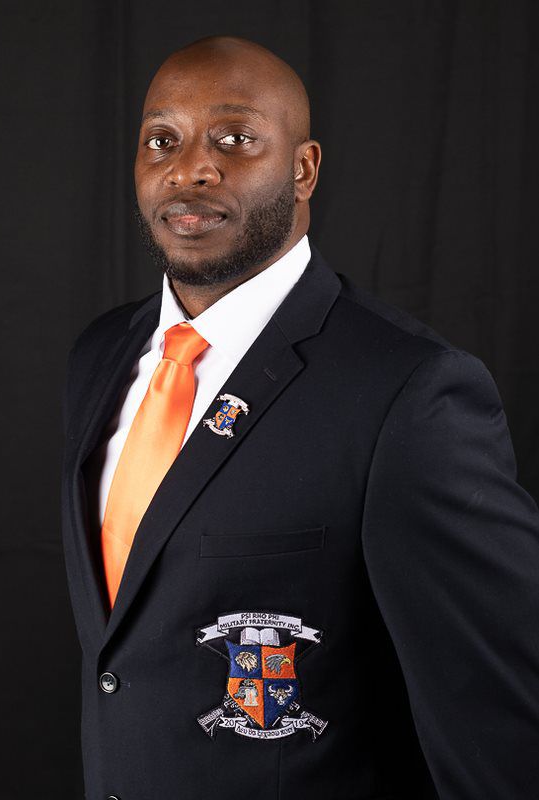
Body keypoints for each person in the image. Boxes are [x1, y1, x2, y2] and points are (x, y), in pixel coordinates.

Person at [61, 35, 539, 800]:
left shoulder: (406, 393)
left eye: (234, 139)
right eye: (162, 141)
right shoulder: (100, 355)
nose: (189, 169)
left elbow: (501, 723)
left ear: (303, 169)